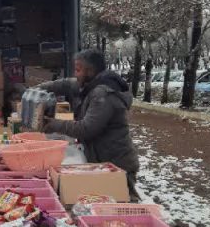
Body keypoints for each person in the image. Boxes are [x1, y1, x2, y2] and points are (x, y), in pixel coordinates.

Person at [41, 49, 140, 198]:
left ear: (90, 71)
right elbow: (65, 84)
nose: (75, 74)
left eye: (78, 70)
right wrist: (35, 90)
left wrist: (54, 125)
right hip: (102, 161)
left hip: (117, 165)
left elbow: (86, 129)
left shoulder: (102, 94)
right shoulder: (91, 84)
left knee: (119, 203)